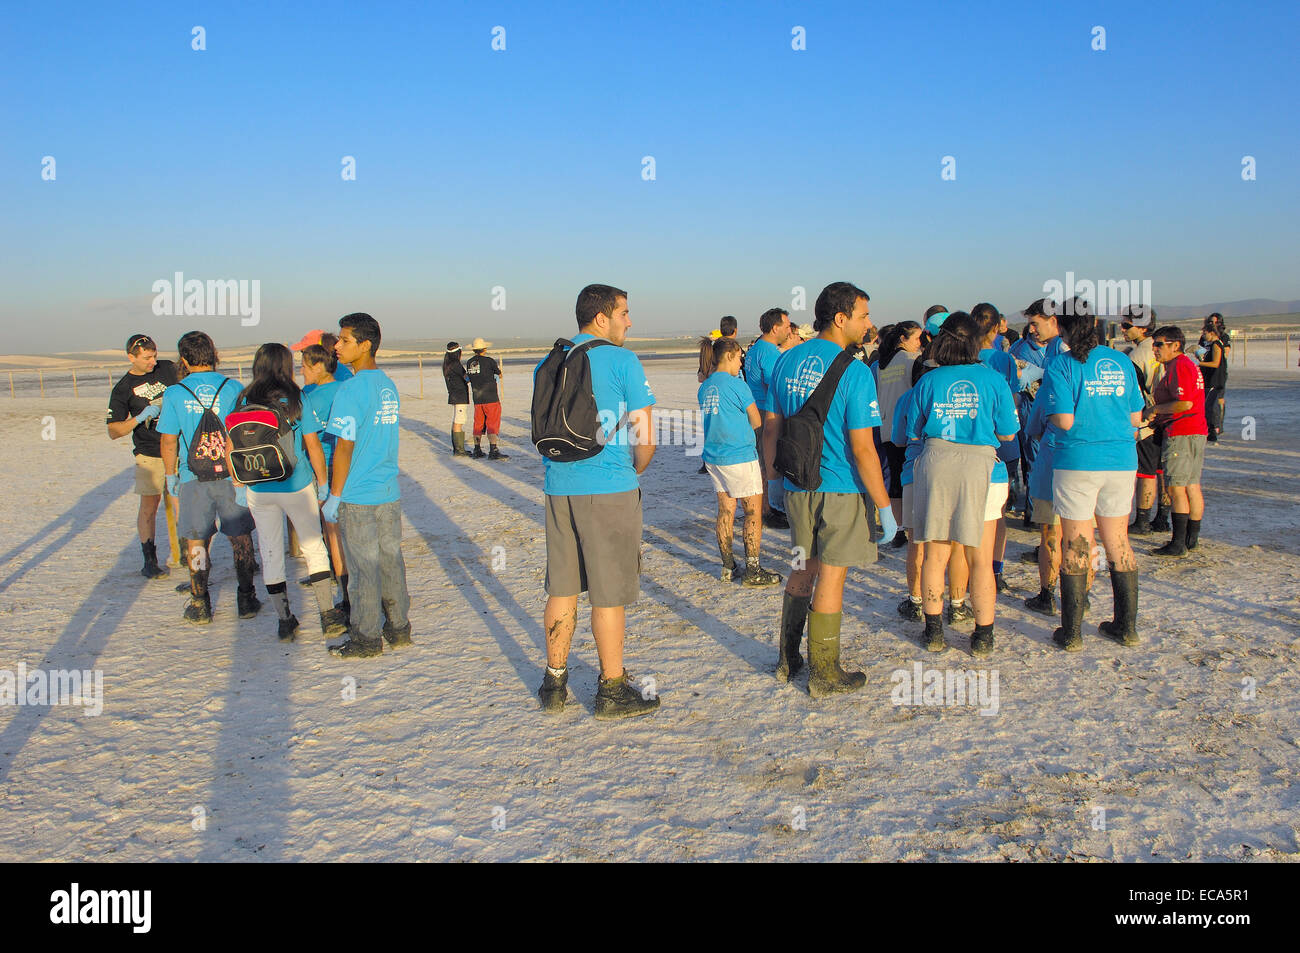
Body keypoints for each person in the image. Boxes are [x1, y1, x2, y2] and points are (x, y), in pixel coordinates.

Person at [534, 284, 659, 719]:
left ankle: (554, 682)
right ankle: (611, 688)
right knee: (608, 594)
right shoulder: (622, 360)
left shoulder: (549, 361)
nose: (629, 321)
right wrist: (634, 468)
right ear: (601, 317)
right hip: (608, 489)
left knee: (562, 588)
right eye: (624, 313)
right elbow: (645, 438)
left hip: (557, 488)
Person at [768, 282, 896, 696]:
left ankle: (788, 659)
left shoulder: (785, 362)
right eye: (863, 315)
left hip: (796, 486)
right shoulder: (855, 372)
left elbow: (772, 428)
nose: (868, 323)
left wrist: (773, 483)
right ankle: (825, 672)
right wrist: (885, 506)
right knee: (832, 579)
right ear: (841, 319)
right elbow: (863, 450)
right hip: (839, 490)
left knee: (802, 566)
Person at [904, 312, 1018, 656]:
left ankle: (934, 631)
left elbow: (913, 432)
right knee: (980, 558)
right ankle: (983, 635)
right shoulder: (993, 378)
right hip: (983, 467)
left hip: (937, 465)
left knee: (935, 556)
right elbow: (1008, 432)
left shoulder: (929, 380)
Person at [1039, 309, 1144, 651]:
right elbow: (1135, 416)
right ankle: (1125, 627)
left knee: (1077, 544)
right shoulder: (1121, 362)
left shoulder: (1062, 365)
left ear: (1064, 331)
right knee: (1118, 542)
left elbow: (1065, 421)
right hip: (1121, 459)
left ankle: (1071, 634)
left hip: (1078, 461)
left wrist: (1049, 415)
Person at [227, 343, 345, 641]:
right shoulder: (295, 397)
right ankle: (327, 615)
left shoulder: (242, 399)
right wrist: (321, 484)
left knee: (269, 551)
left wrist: (238, 484)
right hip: (295, 483)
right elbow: (313, 445)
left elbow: (231, 447)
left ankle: (284, 619)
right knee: (313, 546)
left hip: (257, 487)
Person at [322, 313, 412, 657]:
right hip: (388, 490)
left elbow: (343, 446)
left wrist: (335, 494)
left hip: (358, 494)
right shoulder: (386, 384)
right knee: (391, 559)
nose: (337, 346)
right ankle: (399, 627)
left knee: (362, 568)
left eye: (345, 340)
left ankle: (366, 637)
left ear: (365, 345)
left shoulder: (351, 390)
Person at [157, 331, 260, 624]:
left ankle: (200, 602)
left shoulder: (175, 392)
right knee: (240, 536)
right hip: (232, 475)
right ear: (214, 355)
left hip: (193, 477)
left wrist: (170, 477)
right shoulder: (233, 387)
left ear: (184, 360)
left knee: (197, 540)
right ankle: (246, 597)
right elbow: (244, 432)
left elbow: (168, 440)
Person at [699, 337, 782, 586]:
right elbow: (757, 422)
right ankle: (753, 569)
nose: (740, 365)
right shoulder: (738, 385)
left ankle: (727, 567)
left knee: (725, 510)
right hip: (739, 456)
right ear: (731, 355)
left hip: (714, 457)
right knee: (753, 512)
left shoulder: (705, 387)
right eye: (739, 359)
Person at [106, 334, 179, 579]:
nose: (152, 362)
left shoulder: (168, 369)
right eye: (147, 358)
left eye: (154, 355)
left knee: (183, 501)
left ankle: (190, 554)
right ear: (131, 357)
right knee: (150, 504)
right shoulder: (123, 388)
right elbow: (114, 431)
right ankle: (149, 560)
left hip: (180, 447)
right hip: (149, 454)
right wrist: (139, 417)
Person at [1144, 325, 1207, 557]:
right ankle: (1191, 539)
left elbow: (1184, 403)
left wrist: (1155, 409)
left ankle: (1178, 543)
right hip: (1196, 430)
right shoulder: (1185, 365)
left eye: (1159, 344)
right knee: (1192, 484)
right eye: (1154, 344)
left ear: (1175, 345)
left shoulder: (1179, 366)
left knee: (1176, 487)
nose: (1155, 349)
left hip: (1182, 431)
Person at [973, 303, 1021, 593]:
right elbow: (1012, 402)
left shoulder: (964, 358)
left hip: (970, 441)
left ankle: (967, 571)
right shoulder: (1004, 360)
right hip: (1003, 442)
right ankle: (995, 570)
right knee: (997, 512)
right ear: (996, 328)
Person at [301, 342, 350, 618]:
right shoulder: (346, 389)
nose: (302, 371)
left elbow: (311, 444)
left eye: (305, 366)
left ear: (318, 367)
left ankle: (345, 595)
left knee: (333, 534)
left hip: (325, 470)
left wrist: (321, 483)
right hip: (349, 468)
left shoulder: (309, 397)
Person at [875, 320, 923, 548]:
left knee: (894, 478)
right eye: (916, 339)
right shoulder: (912, 361)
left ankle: (898, 529)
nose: (919, 344)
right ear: (903, 339)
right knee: (911, 479)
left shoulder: (882, 363)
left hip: (887, 427)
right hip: (907, 428)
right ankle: (914, 524)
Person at [745, 308, 793, 528]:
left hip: (756, 409)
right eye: (787, 326)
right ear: (775, 328)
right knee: (768, 460)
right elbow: (774, 384)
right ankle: (769, 510)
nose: (789, 330)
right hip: (766, 410)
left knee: (761, 461)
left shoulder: (756, 349)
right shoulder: (769, 352)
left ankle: (765, 508)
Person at [1119, 305, 1162, 534]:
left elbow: (1133, 393)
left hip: (1148, 419)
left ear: (1142, 327)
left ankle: (1143, 520)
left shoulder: (1138, 355)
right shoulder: (1160, 346)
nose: (1122, 329)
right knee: (1161, 469)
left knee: (1146, 470)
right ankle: (1162, 517)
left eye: (1127, 325)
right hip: (1165, 417)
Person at [464, 337, 507, 459]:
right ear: (484, 349)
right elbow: (499, 374)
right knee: (492, 423)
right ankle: (493, 449)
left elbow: (468, 377)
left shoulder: (469, 362)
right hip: (491, 397)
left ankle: (477, 449)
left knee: (478, 423)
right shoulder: (489, 361)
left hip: (477, 398)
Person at [1197, 320, 1226, 443]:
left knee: (1210, 406)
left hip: (1214, 380)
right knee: (1208, 405)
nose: (1204, 335)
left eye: (1205, 333)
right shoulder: (1210, 345)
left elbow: (1215, 363)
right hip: (1209, 379)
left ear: (1212, 333)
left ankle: (1213, 430)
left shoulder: (1216, 345)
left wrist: (1199, 364)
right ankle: (1210, 429)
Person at [443, 342, 471, 457]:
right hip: (459, 396)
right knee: (459, 420)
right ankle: (459, 450)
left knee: (457, 420)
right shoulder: (456, 365)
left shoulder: (448, 364)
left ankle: (458, 448)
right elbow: (466, 378)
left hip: (455, 395)